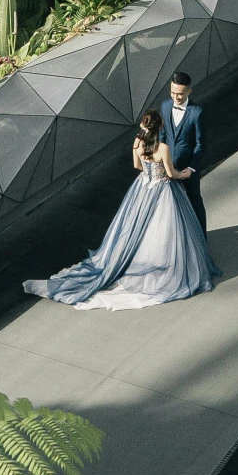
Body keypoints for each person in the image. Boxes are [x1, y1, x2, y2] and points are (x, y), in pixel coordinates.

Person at [23, 108, 217, 310]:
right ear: (160, 127)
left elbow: (138, 166)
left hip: (143, 188)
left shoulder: (138, 144)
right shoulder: (163, 148)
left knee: (137, 227)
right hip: (162, 190)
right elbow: (171, 174)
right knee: (164, 228)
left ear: (144, 126)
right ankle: (164, 263)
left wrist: (149, 167)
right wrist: (184, 174)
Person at [163, 67, 206, 233]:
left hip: (188, 168)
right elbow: (162, 136)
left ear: (189, 91)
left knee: (195, 201)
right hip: (168, 167)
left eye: (180, 94)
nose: (176, 97)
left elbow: (200, 144)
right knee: (168, 205)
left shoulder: (197, 113)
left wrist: (191, 168)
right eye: (173, 93)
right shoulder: (165, 106)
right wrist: (162, 162)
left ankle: (201, 239)